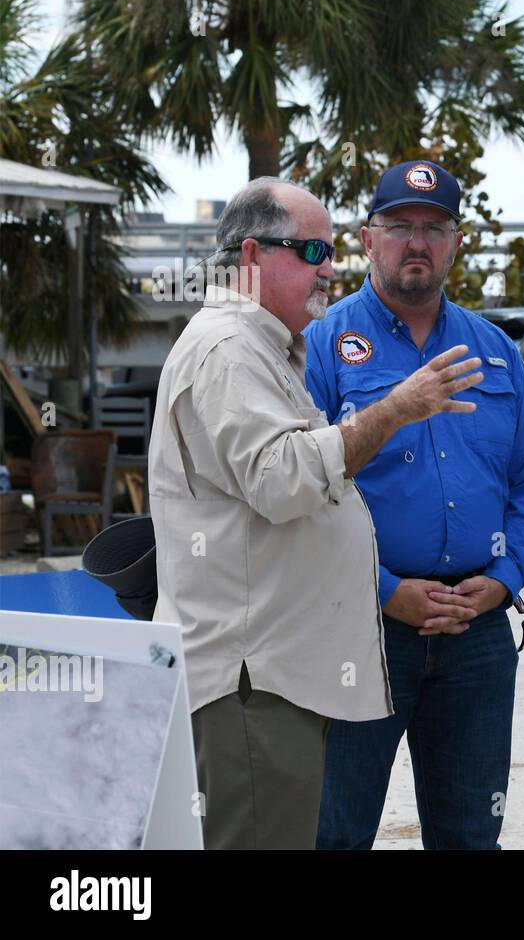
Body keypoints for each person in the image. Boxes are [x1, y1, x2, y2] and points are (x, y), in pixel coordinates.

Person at [150, 177, 483, 849]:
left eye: (330, 251)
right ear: (250, 256)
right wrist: (394, 409)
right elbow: (282, 481)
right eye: (308, 250)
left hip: (271, 676)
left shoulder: (261, 346)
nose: (327, 268)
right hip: (251, 680)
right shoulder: (229, 349)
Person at [305, 160, 524, 850]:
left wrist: (503, 581)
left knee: (472, 836)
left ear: (455, 243)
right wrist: (384, 591)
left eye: (434, 228)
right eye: (400, 227)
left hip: (476, 634)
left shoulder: (496, 351)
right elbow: (300, 496)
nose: (417, 242)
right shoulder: (322, 346)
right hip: (360, 629)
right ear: (367, 237)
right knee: (336, 833)